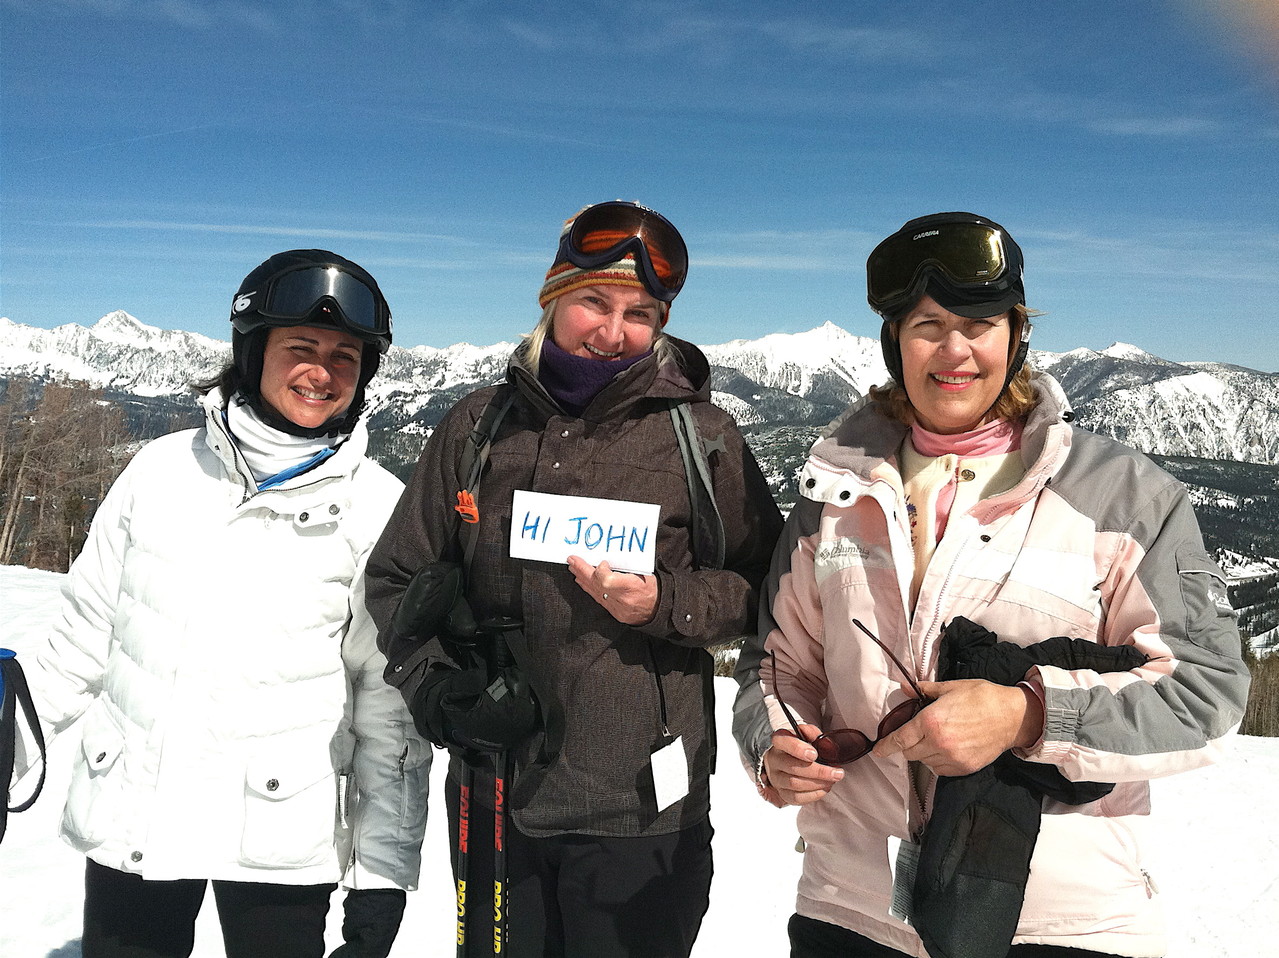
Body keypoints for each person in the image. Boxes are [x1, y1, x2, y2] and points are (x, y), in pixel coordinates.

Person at [732, 212, 1251, 958]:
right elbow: (775, 668)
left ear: (1014, 337)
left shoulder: (1123, 495)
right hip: (850, 910)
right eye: (926, 325)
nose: (953, 349)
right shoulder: (832, 495)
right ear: (892, 344)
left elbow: (1205, 695)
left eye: (977, 324)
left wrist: (1027, 715)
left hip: (1056, 924)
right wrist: (776, 743)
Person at [364, 201, 783, 958]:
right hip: (495, 789)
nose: (612, 331)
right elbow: (397, 578)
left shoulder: (703, 436)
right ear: (554, 297)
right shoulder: (475, 426)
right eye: (594, 301)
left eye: (640, 312)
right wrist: (436, 689)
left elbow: (769, 589)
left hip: (642, 805)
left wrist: (667, 601)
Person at [13, 250, 430, 958]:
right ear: (252, 349)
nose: (322, 373)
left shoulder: (381, 509)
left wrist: (381, 883)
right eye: (301, 348)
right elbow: (79, 642)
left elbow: (386, 716)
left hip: (278, 835)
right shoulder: (160, 471)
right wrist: (8, 746)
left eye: (345, 358)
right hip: (134, 811)